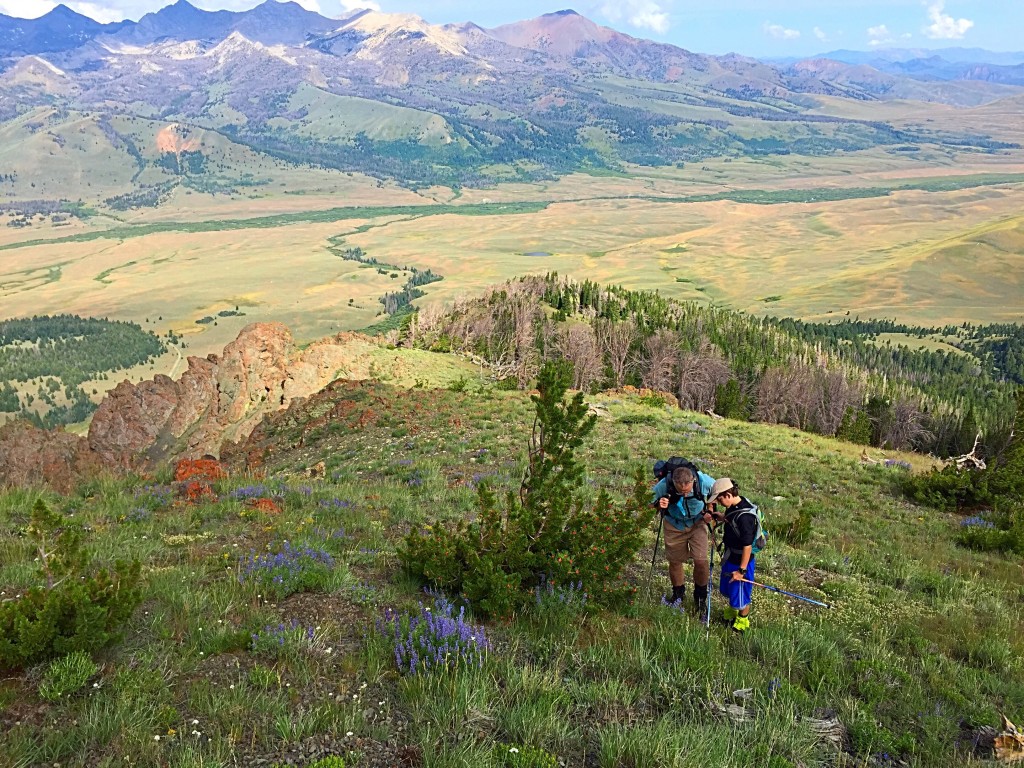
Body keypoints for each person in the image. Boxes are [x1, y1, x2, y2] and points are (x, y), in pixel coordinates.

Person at [651, 464, 716, 620]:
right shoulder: (663, 485)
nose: (684, 494)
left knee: (701, 561)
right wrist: (658, 505)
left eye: (687, 491)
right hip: (674, 524)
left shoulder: (703, 481)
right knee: (675, 561)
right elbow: (649, 505)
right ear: (673, 482)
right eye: (680, 492)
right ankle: (678, 595)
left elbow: (716, 493)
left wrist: (710, 511)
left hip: (698, 522)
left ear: (693, 480)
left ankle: (700, 598)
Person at [707, 478, 758, 633]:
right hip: (730, 557)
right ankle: (733, 610)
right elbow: (731, 518)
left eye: (720, 499)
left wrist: (741, 571)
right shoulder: (736, 504)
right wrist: (722, 517)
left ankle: (742, 620)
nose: (719, 502)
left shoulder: (745, 518)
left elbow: (747, 547)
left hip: (741, 562)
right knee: (729, 588)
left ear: (728, 494)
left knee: (741, 592)